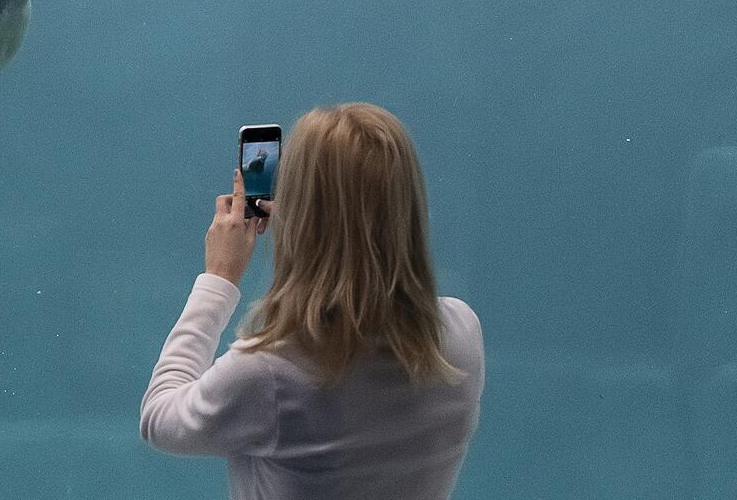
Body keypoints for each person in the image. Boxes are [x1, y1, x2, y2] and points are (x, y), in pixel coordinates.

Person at [140, 103, 484, 499]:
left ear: (300, 212)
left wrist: (218, 280)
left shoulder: (270, 372)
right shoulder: (460, 334)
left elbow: (159, 418)